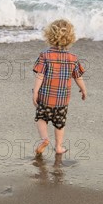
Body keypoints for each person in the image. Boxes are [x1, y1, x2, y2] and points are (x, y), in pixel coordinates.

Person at [32, 19, 87, 155]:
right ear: (70, 37)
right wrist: (84, 89)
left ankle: (45, 139)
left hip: (45, 98)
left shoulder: (45, 55)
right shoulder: (73, 58)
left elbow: (40, 75)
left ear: (49, 36)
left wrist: (35, 92)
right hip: (62, 101)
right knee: (60, 124)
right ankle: (58, 147)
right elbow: (78, 76)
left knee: (41, 118)